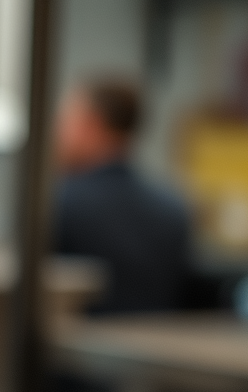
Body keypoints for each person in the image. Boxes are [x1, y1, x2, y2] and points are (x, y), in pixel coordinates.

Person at [53, 77, 195, 313]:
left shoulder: (61, 203)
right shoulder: (173, 208)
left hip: (78, 345)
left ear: (89, 125)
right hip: (155, 345)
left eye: (64, 122)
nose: (56, 134)